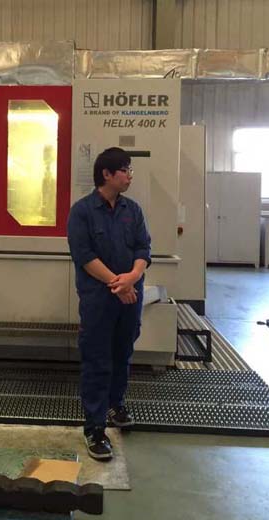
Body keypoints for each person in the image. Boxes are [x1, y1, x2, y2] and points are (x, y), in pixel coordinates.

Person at [67, 147, 151, 460]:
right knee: (97, 360)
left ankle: (116, 406)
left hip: (130, 296)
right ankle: (94, 428)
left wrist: (133, 277)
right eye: (125, 170)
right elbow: (84, 256)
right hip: (99, 299)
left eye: (130, 170)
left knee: (122, 353)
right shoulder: (82, 212)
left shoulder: (133, 210)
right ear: (107, 174)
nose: (130, 176)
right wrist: (119, 284)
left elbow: (143, 248)